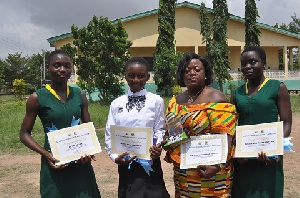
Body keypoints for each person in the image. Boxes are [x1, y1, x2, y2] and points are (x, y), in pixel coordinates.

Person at [19, 50, 101, 198]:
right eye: (57, 65)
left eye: (67, 66)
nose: (62, 70)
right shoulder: (37, 97)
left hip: (81, 165)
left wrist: (90, 150)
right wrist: (47, 155)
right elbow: (24, 134)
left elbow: (89, 127)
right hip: (55, 164)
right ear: (47, 68)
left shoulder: (79, 94)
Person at [162, 53, 237, 197]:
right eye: (187, 70)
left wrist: (216, 165)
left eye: (197, 69)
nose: (191, 73)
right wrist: (167, 142)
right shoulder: (175, 102)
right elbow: (175, 135)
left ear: (206, 74)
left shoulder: (217, 98)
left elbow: (226, 135)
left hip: (212, 171)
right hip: (184, 173)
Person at [231, 46, 292, 198]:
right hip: (243, 160)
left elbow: (286, 123)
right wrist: (236, 151)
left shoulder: (278, 87)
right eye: (244, 63)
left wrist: (276, 149)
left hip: (269, 157)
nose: (247, 67)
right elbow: (231, 125)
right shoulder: (236, 93)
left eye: (253, 62)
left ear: (264, 64)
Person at [105, 57, 170, 198]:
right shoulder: (116, 103)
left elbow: (160, 129)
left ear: (148, 76)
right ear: (125, 76)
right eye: (131, 75)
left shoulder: (156, 101)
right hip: (126, 162)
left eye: (141, 76)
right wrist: (115, 157)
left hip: (150, 161)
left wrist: (157, 147)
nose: (136, 80)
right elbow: (110, 133)